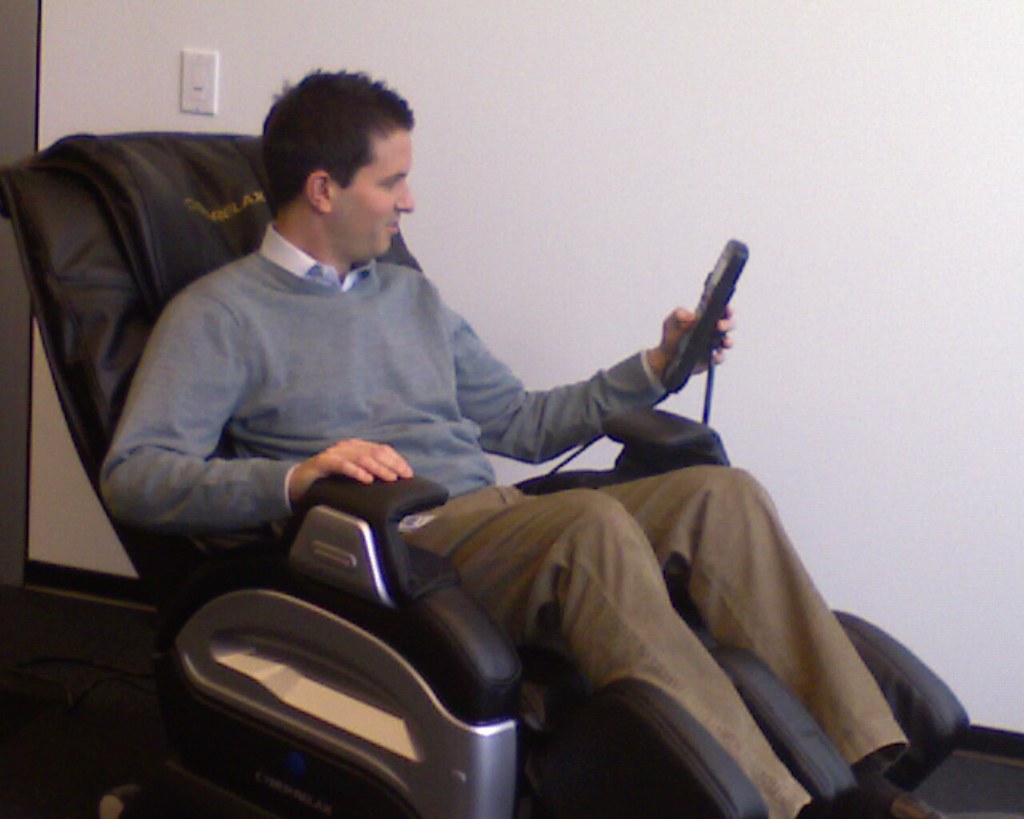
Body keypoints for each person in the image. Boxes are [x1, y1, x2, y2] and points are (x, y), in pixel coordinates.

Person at [100, 71, 948, 819]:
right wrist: (293, 479)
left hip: (498, 522)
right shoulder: (220, 315)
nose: (409, 201)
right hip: (398, 552)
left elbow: (522, 421)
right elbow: (135, 476)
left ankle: (870, 779)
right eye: (392, 181)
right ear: (324, 189)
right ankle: (779, 807)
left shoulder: (410, 297)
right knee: (589, 527)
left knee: (723, 493)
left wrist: (658, 366)